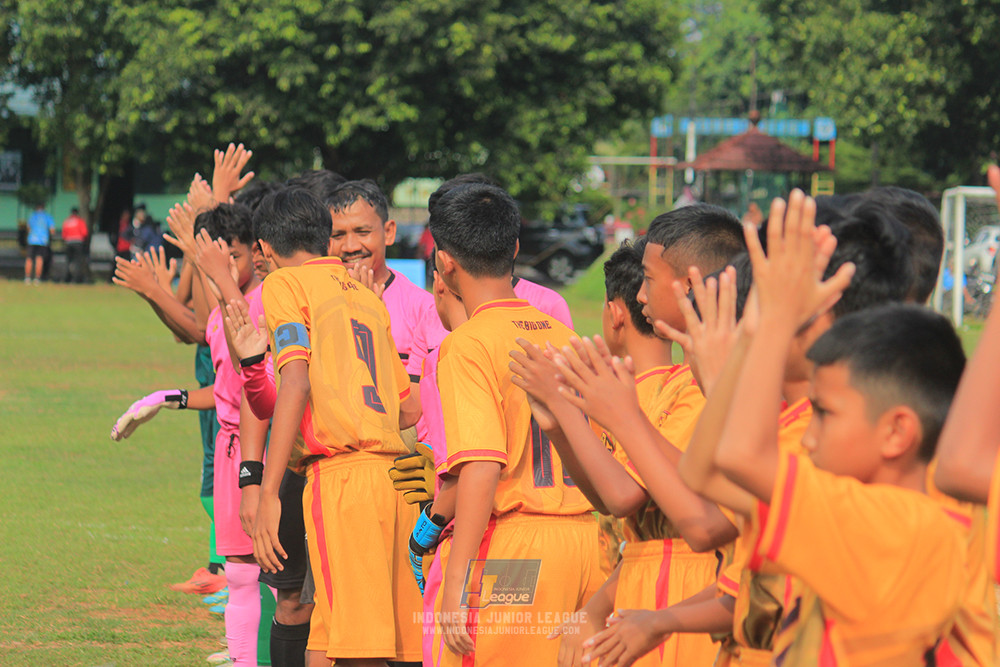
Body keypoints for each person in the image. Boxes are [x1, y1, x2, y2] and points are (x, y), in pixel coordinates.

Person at [510, 213, 746, 667]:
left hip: (690, 588)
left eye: (650, 280)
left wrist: (576, 410)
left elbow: (630, 498)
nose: (641, 295)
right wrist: (560, 424)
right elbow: (615, 504)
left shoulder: (693, 388)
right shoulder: (681, 383)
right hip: (644, 584)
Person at [424, 183, 602, 666]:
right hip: (587, 542)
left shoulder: (468, 344)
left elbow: (481, 464)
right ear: (516, 248)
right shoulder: (566, 337)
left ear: (444, 262)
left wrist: (456, 578)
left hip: (517, 552)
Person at [250, 188, 423, 667]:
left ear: (264, 250)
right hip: (397, 481)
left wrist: (267, 493)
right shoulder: (369, 298)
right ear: (325, 237)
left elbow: (295, 380)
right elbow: (409, 411)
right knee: (335, 640)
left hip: (342, 480)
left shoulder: (285, 286)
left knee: (359, 651)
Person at [25, 202, 54, 284]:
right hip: (42, 241)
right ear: (44, 208)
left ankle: (27, 278)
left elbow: (28, 228)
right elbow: (52, 230)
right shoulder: (47, 217)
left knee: (29, 259)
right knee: (39, 259)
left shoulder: (33, 216)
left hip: (32, 240)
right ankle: (37, 279)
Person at [61, 207, 89, 283]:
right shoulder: (80, 221)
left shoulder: (67, 221)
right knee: (77, 261)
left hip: (68, 242)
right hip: (78, 243)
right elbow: (84, 233)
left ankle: (67, 278)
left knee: (69, 261)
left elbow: (63, 235)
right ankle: (76, 279)